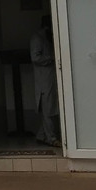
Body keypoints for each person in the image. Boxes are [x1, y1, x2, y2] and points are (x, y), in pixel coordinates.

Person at [30, 15, 61, 147]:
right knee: (47, 108)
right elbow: (35, 58)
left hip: (51, 78)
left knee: (51, 107)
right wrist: (52, 57)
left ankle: (42, 135)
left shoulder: (49, 37)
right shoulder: (37, 38)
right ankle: (51, 138)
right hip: (44, 79)